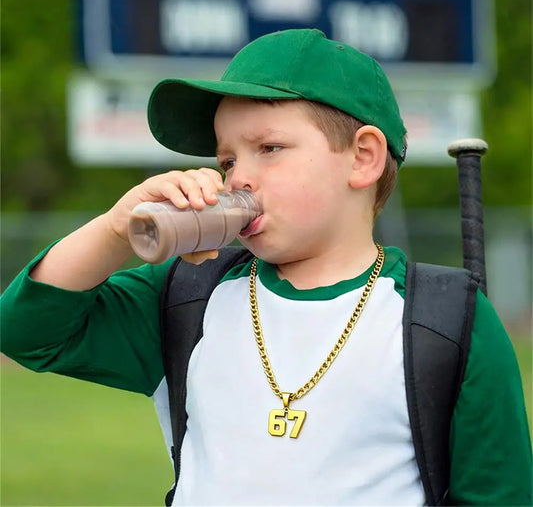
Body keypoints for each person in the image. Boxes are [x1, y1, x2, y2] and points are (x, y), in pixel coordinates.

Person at [1, 29, 531, 506]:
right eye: (228, 159)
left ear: (363, 158)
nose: (237, 179)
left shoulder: (443, 319)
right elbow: (27, 330)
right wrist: (118, 228)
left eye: (269, 148)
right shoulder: (187, 294)